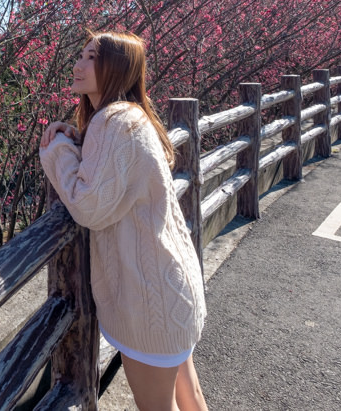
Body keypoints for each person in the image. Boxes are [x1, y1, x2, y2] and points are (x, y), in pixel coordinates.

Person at [39, 31, 208, 411]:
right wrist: (79, 141)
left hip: (150, 303)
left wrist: (58, 152)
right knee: (191, 399)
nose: (79, 65)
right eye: (81, 55)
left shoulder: (114, 121)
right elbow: (115, 175)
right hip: (172, 288)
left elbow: (89, 205)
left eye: (92, 57)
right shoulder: (128, 119)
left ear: (118, 68)